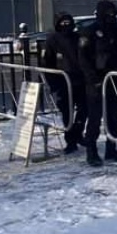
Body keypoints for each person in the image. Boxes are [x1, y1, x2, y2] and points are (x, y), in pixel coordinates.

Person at [78, 0, 117, 167]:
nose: (112, 17)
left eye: (113, 14)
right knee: (94, 118)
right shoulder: (90, 31)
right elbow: (83, 59)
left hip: (114, 79)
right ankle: (91, 152)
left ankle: (111, 149)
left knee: (112, 117)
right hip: (97, 82)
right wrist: (92, 79)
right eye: (109, 14)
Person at [42, 12, 87, 154]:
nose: (66, 25)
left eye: (68, 22)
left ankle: (78, 132)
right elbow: (47, 63)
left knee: (84, 109)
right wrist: (52, 83)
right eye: (63, 22)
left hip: (80, 80)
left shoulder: (77, 37)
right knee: (67, 112)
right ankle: (70, 141)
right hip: (62, 82)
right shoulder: (52, 39)